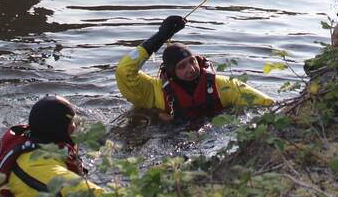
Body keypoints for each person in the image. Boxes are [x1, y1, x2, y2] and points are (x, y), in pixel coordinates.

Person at [116, 15, 274, 119]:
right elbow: (124, 72)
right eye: (182, 66)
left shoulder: (222, 85)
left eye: (192, 61)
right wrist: (160, 38)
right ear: (170, 73)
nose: (190, 69)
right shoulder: (154, 91)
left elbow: (267, 104)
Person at [0, 95, 104, 197]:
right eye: (73, 122)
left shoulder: (38, 139)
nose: (77, 125)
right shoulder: (40, 167)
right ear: (59, 128)